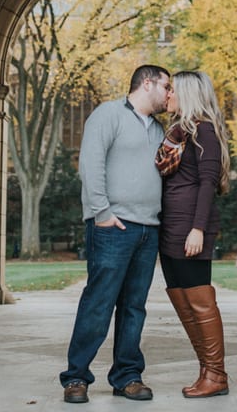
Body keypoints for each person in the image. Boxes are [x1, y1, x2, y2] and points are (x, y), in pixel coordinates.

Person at [60, 65, 173, 404]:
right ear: (147, 82)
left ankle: (127, 376)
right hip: (112, 227)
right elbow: (91, 164)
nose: (170, 93)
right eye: (166, 86)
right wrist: (102, 213)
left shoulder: (158, 129)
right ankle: (76, 377)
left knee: (134, 307)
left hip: (147, 229)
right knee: (98, 302)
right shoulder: (107, 114)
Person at [157, 70, 231, 398]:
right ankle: (205, 369)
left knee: (200, 303)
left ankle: (216, 374)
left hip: (191, 228)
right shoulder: (179, 133)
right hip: (171, 227)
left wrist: (198, 228)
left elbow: (207, 183)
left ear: (187, 94)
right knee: (182, 300)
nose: (167, 94)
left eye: (172, 89)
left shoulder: (204, 132)